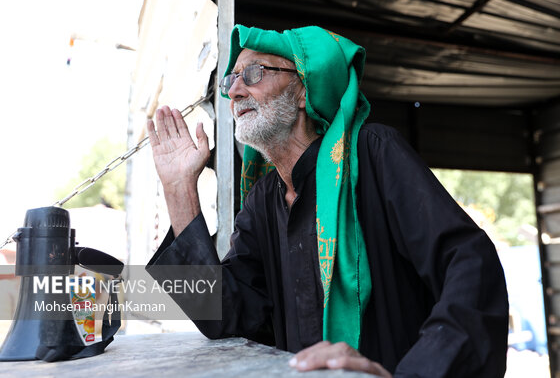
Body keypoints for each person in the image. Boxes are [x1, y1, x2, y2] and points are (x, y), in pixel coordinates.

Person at [145, 25, 508, 377]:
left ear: (304, 89)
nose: (234, 91)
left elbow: (472, 265)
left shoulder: (373, 153)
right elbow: (225, 315)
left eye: (253, 73)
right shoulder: (263, 200)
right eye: (231, 80)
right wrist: (180, 190)